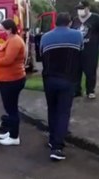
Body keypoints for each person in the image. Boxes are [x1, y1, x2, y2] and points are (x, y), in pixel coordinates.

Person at [40, 13, 83, 161]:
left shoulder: (45, 37)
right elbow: (81, 54)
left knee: (52, 110)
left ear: (55, 23)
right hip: (68, 79)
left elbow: (41, 56)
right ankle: (57, 147)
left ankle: (52, 140)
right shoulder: (77, 35)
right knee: (63, 112)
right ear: (69, 22)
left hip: (50, 79)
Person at [0, 19, 26, 146]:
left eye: (1, 29)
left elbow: (8, 60)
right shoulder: (11, 40)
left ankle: (14, 137)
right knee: (10, 108)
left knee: (12, 109)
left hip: (12, 80)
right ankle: (11, 132)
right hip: (8, 79)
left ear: (9, 29)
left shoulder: (15, 41)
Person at [71, 1, 99, 99]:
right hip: (77, 50)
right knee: (76, 71)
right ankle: (77, 90)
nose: (80, 11)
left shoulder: (95, 18)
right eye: (79, 9)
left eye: (82, 8)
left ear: (88, 8)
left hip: (91, 50)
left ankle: (90, 90)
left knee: (90, 71)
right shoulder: (75, 20)